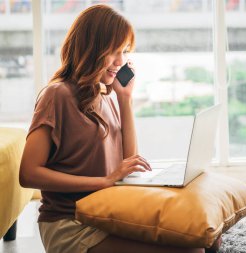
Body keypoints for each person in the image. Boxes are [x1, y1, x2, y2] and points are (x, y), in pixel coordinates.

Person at [19, 4, 221, 253]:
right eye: (114, 51)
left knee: (207, 237)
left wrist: (125, 100)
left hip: (109, 212)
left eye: (125, 51)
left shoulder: (105, 94)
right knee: (192, 251)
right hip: (71, 224)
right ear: (91, 49)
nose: (121, 61)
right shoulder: (56, 95)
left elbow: (128, 161)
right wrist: (103, 181)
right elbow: (28, 173)